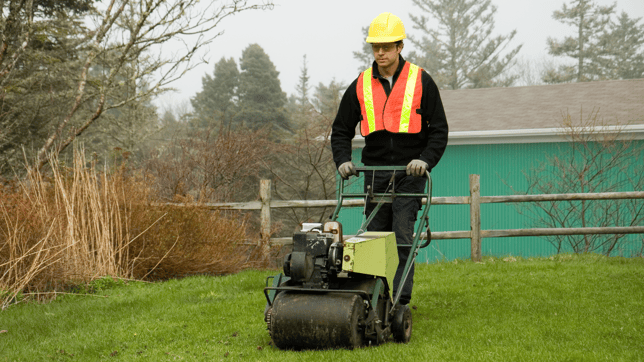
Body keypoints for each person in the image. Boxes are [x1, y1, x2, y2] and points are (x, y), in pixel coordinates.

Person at [331, 12, 448, 305]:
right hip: (376, 172)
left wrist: (425, 161)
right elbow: (340, 130)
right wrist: (343, 160)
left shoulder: (421, 80)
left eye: (386, 47)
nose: (380, 52)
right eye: (375, 47)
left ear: (399, 47)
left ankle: (400, 303)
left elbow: (439, 130)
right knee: (374, 239)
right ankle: (374, 299)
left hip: (410, 173)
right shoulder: (360, 85)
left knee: (402, 236)